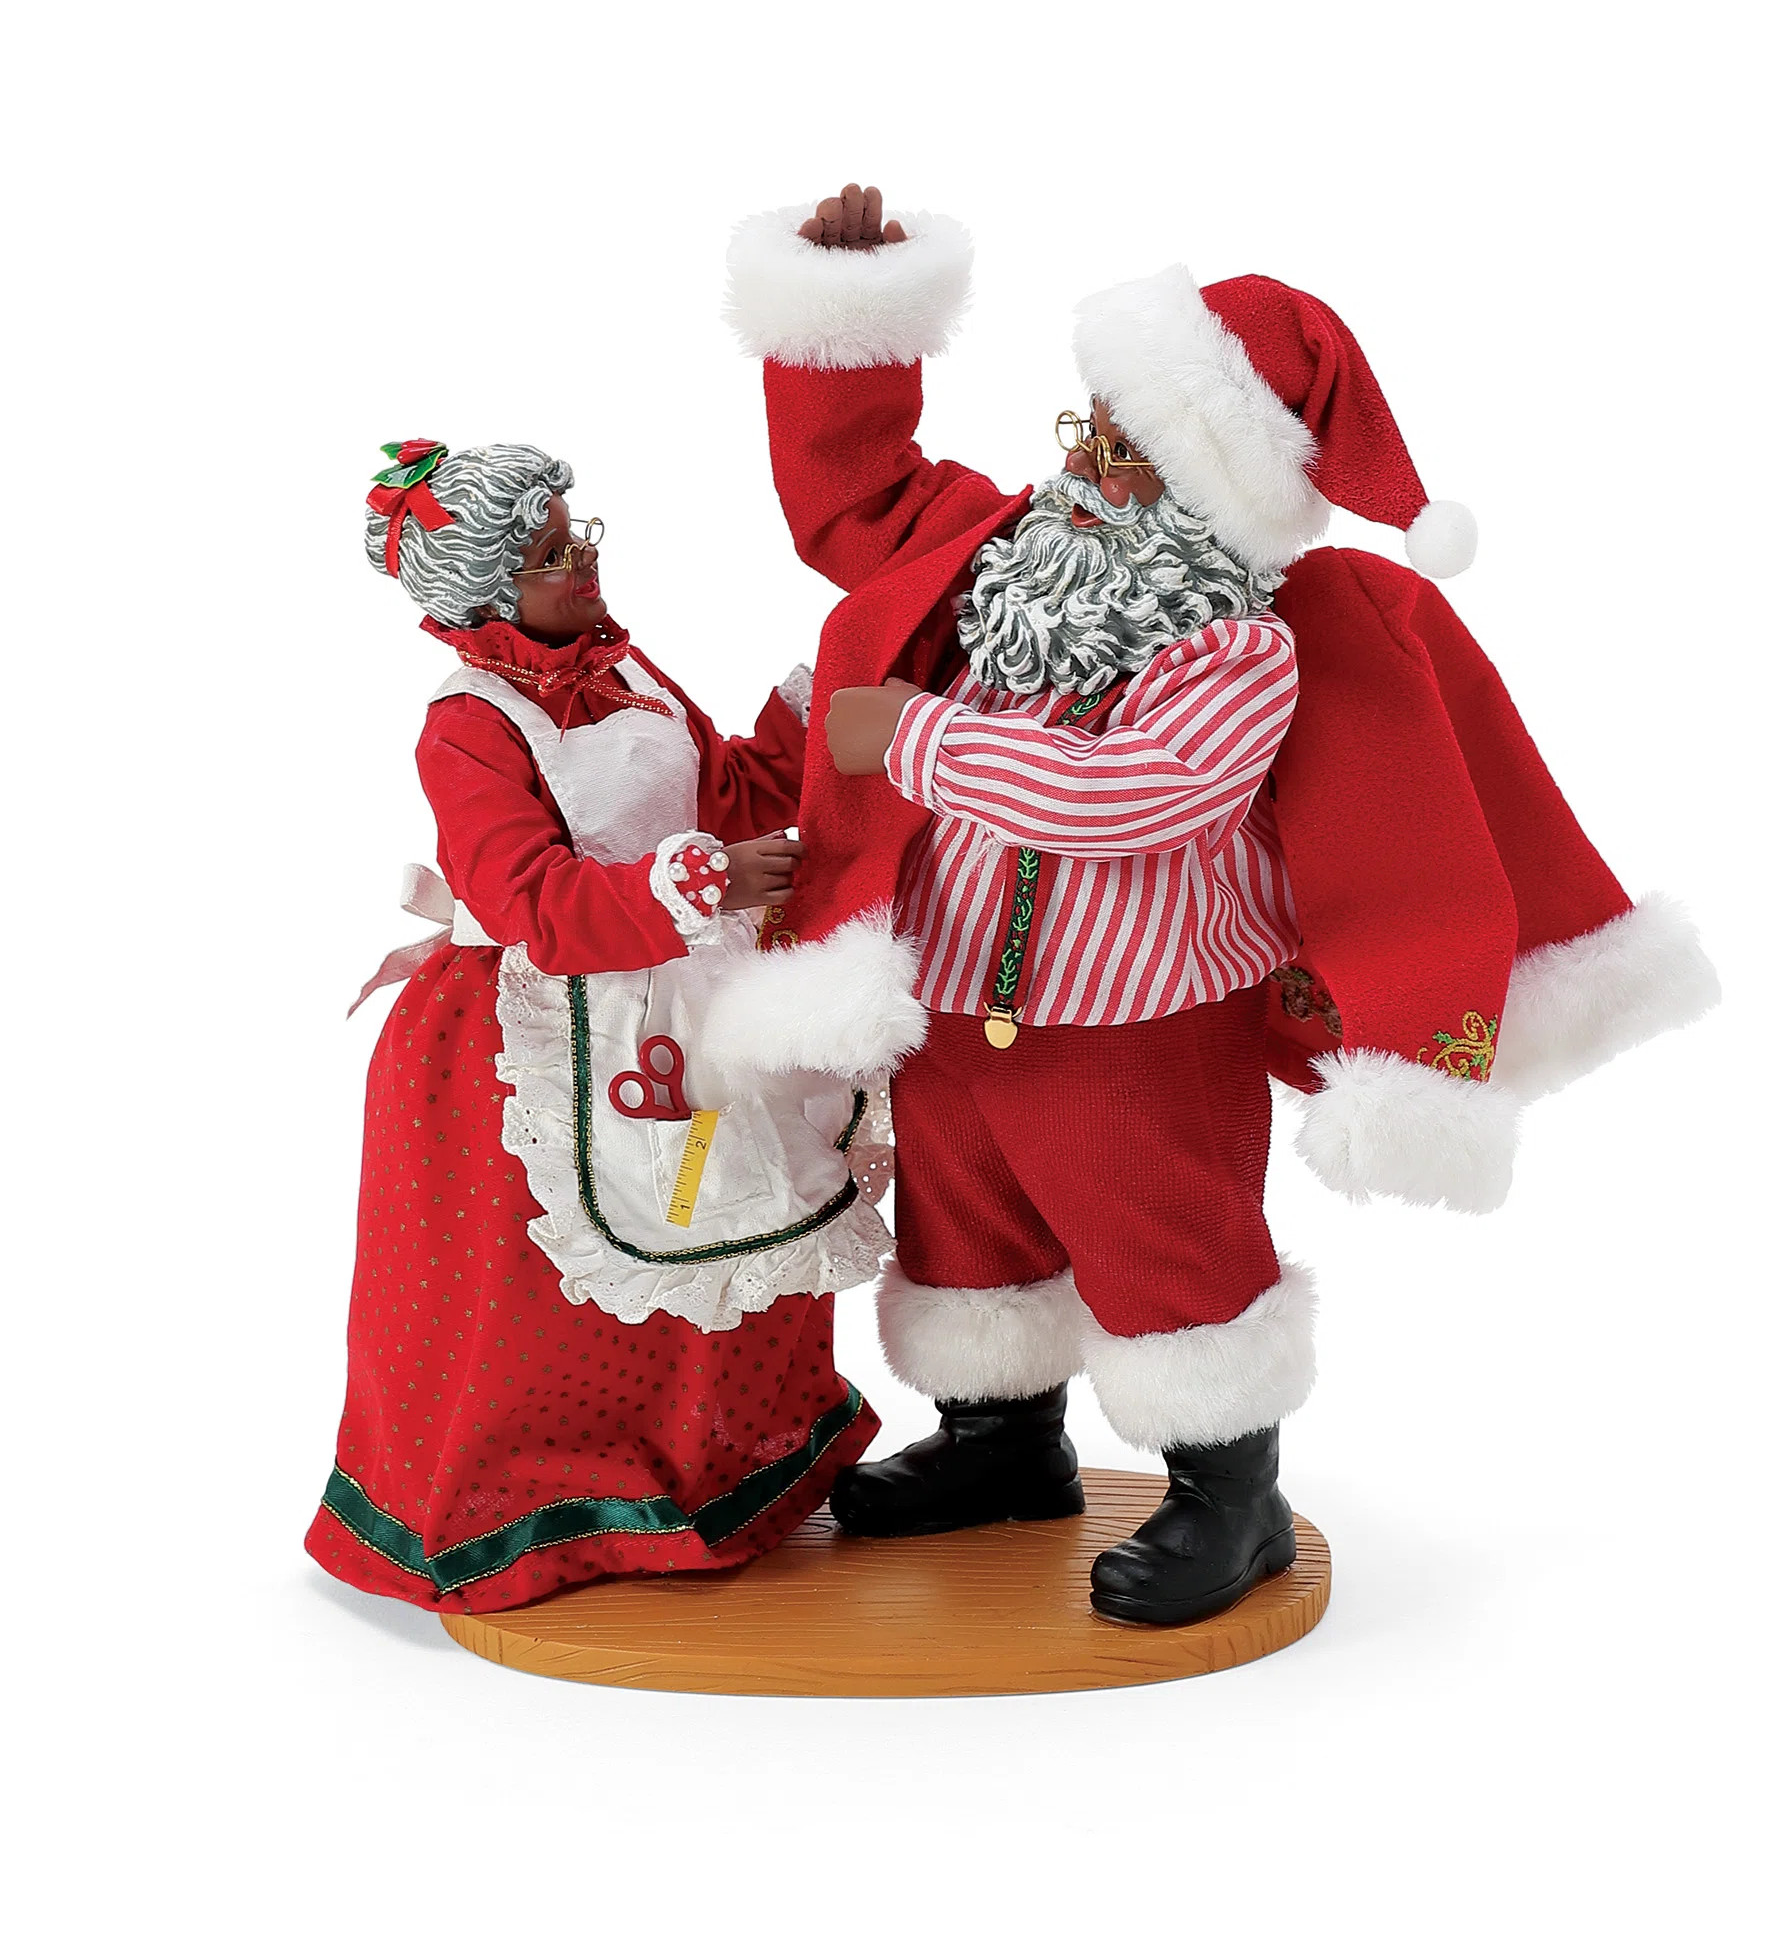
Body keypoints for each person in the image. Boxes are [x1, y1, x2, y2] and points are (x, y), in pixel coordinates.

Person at [724, 186, 1719, 1626]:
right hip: (945, 996)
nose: (1086, 467)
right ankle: (1000, 1444)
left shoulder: (1240, 649)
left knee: (1164, 1243)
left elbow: (1140, 795)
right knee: (968, 1224)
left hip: (1137, 1023)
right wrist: (849, 317)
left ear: (1217, 488)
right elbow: (856, 494)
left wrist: (920, 739)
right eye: (1091, 426)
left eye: (1130, 448)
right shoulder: (998, 562)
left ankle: (1227, 1495)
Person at [307, 439, 921, 1613]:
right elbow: (526, 900)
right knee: (545, 1289)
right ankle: (549, 1505)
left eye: (576, 534)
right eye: (549, 552)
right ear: (489, 588)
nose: (581, 562)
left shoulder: (624, 667)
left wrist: (819, 697)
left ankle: (714, 1467)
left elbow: (725, 790)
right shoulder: (467, 724)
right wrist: (696, 886)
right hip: (534, 1034)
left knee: (718, 1218)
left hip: (680, 997)